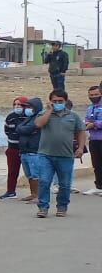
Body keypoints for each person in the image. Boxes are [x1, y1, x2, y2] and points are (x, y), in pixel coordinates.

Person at [32, 89, 86, 217]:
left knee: (65, 184)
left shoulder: (73, 116)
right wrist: (50, 111)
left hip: (66, 156)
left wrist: (80, 148)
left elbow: (81, 132)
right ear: (50, 101)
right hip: (45, 155)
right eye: (54, 101)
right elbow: (38, 124)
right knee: (44, 181)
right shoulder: (43, 114)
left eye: (60, 101)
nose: (57, 103)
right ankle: (43, 208)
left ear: (65, 101)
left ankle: (62, 206)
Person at [0, 96, 31, 200]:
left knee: (31, 172)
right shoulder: (10, 117)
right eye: (15, 104)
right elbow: (7, 131)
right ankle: (10, 191)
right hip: (13, 148)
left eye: (20, 105)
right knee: (12, 171)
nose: (17, 107)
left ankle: (35, 193)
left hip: (27, 149)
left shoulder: (29, 116)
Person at [16, 97, 45, 204]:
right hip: (24, 151)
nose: (27, 109)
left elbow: (26, 129)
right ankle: (33, 194)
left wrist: (23, 129)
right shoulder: (28, 118)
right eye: (26, 107)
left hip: (34, 151)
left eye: (29, 107)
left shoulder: (39, 118)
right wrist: (22, 129)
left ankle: (39, 195)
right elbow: (19, 128)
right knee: (29, 175)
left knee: (36, 175)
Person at [83, 85, 102, 196]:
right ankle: (99, 186)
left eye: (96, 94)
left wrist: (94, 124)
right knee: (96, 164)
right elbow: (87, 119)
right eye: (91, 95)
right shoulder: (90, 108)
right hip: (94, 139)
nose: (93, 97)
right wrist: (87, 123)